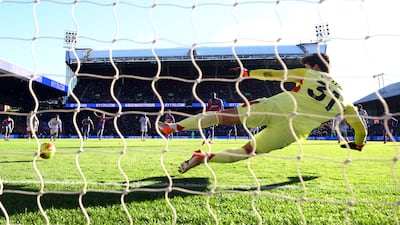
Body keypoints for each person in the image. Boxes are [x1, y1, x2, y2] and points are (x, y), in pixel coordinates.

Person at [159, 53, 368, 173]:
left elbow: (274, 75)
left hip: (280, 105)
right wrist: (357, 144)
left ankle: (173, 127)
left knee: (225, 116)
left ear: (314, 65)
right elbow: (360, 129)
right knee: (247, 151)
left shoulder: (310, 73)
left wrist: (248, 73)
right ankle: (204, 157)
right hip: (295, 129)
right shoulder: (345, 99)